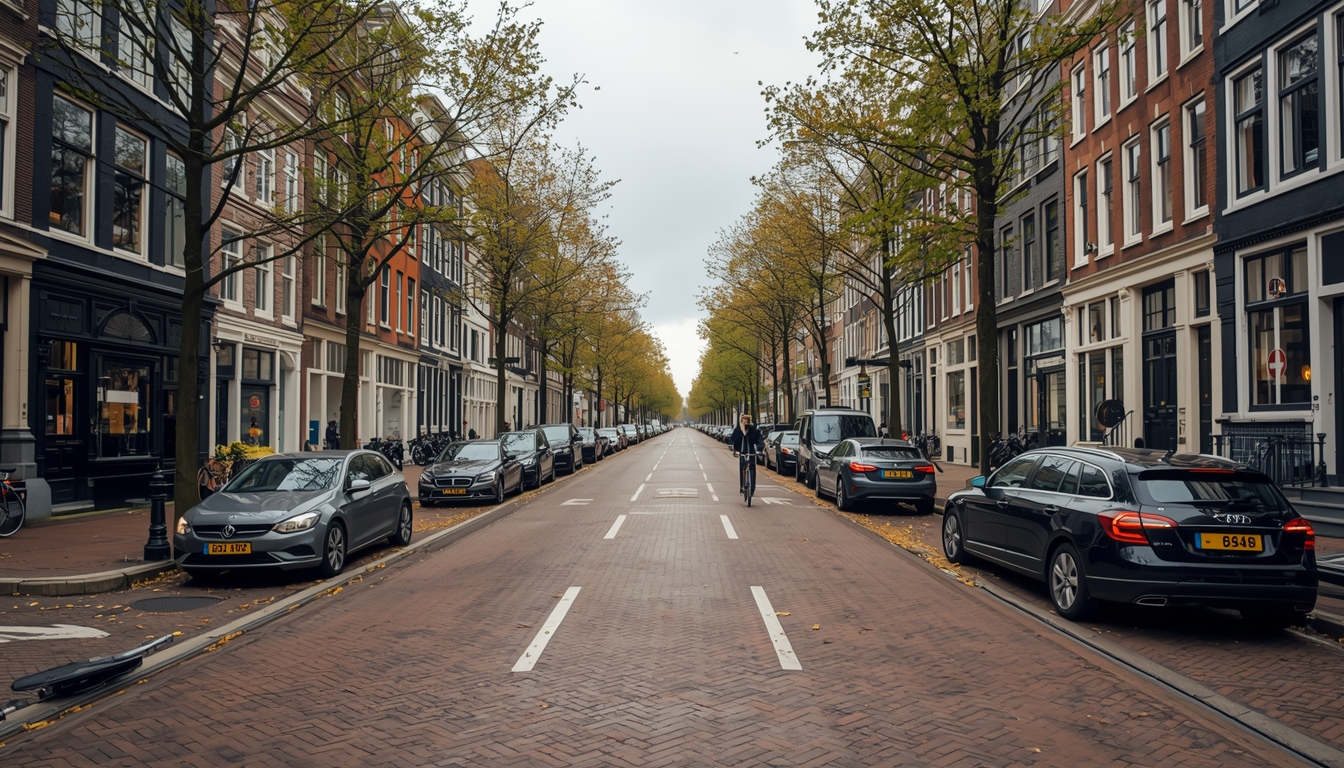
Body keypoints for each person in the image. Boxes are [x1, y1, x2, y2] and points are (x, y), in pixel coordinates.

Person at [729, 415, 765, 493]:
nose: (745, 421)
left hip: (751, 451)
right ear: (741, 421)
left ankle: (752, 488)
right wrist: (732, 446)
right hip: (742, 451)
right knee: (743, 467)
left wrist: (760, 449)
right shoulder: (738, 430)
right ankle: (742, 485)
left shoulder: (753, 430)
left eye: (747, 420)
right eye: (744, 420)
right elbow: (732, 439)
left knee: (752, 467)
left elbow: (759, 439)